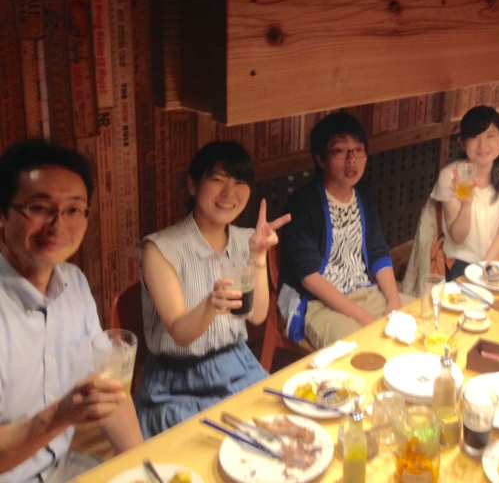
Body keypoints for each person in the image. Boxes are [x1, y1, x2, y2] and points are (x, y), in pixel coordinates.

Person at [0, 139, 143, 481]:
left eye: (73, 210)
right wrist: (58, 416)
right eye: (39, 207)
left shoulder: (74, 284)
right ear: (2, 215)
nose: (58, 225)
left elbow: (111, 390)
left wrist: (147, 467)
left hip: (60, 468)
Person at [135, 141, 289, 439]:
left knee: (275, 438)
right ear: (193, 185)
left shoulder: (247, 240)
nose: (229, 193)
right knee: (208, 450)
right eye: (218, 179)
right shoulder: (161, 249)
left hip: (237, 364)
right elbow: (181, 333)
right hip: (177, 381)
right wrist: (210, 305)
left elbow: (256, 316)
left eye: (239, 182)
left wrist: (258, 255)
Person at [277, 112, 414, 350]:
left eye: (358, 150)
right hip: (317, 304)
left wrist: (394, 302)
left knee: (422, 318)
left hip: (365, 291)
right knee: (364, 348)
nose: (352, 160)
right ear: (320, 159)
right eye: (340, 151)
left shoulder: (364, 194)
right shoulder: (303, 203)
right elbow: (309, 278)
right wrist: (363, 317)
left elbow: (377, 251)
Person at [430, 105, 499, 279]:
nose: (482, 145)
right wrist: (466, 204)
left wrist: (484, 269)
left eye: (490, 136)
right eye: (474, 137)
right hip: (461, 261)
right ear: (462, 142)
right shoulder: (450, 176)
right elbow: (458, 238)